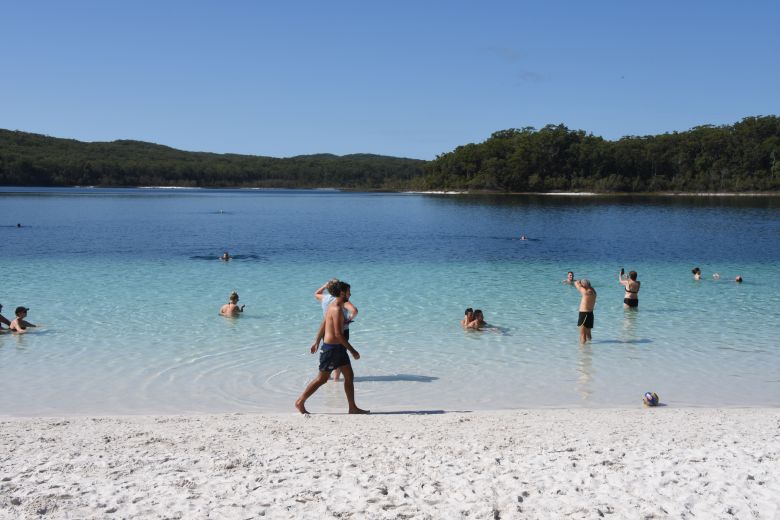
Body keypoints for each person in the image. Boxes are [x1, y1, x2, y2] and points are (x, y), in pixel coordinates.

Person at [296, 281, 368, 415]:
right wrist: (353, 351)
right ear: (342, 293)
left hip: (338, 348)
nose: (350, 294)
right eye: (348, 292)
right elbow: (338, 335)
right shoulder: (336, 309)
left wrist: (317, 341)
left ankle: (352, 407)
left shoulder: (334, 305)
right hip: (331, 349)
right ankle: (300, 401)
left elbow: (324, 323)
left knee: (349, 375)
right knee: (322, 379)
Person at [314, 279, 357, 381]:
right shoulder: (340, 301)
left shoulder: (324, 298)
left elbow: (316, 293)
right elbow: (354, 311)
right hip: (342, 332)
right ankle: (336, 379)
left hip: (327, 330)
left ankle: (328, 378)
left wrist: (324, 286)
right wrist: (348, 319)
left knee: (329, 360)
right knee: (339, 355)